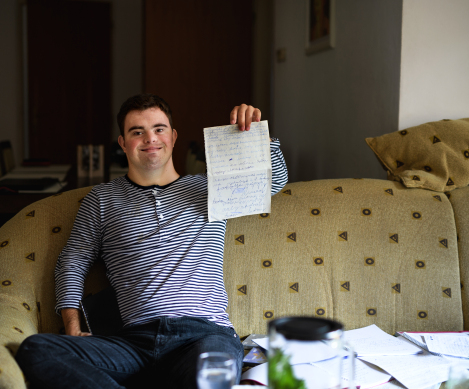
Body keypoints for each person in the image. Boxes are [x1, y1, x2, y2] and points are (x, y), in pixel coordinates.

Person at [15, 94, 288, 389]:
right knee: (37, 350)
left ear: (173, 136)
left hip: (205, 336)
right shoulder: (102, 199)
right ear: (122, 143)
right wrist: (72, 328)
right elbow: (72, 261)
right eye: (137, 132)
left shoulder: (210, 186)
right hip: (135, 343)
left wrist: (259, 132)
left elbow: (274, 182)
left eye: (159, 129)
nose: (150, 139)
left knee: (209, 377)